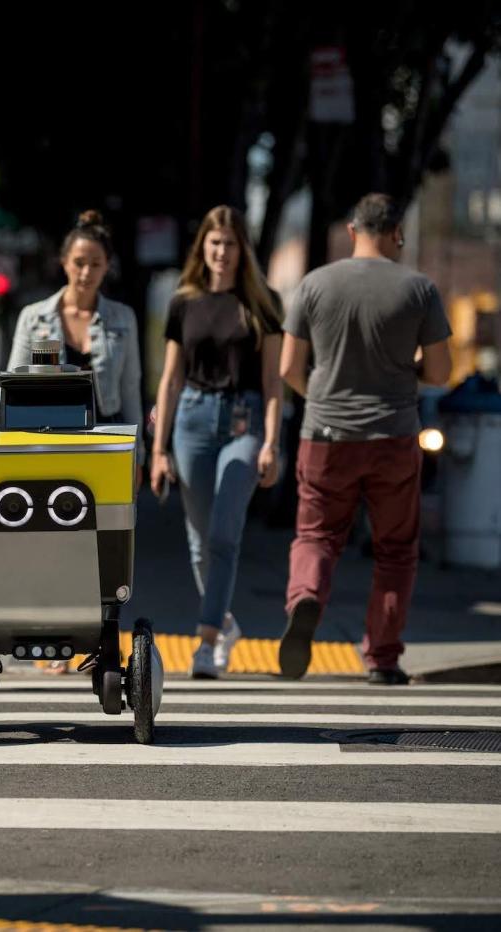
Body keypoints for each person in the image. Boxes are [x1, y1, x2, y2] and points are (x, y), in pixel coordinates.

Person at [279, 193, 452, 685]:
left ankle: (307, 595)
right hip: (393, 436)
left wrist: (322, 396)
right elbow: (440, 371)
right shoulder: (419, 289)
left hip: (326, 435)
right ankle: (381, 656)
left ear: (353, 232)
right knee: (395, 549)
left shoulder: (315, 285)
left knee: (317, 534)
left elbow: (289, 368)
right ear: (397, 233)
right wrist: (403, 370)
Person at [150, 205, 283, 679]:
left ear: (241, 249)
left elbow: (273, 382)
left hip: (245, 425)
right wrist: (158, 449)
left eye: (230, 243)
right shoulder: (183, 301)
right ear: (202, 248)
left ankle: (205, 643)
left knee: (225, 534)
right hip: (190, 420)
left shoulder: (264, 303)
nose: (222, 252)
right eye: (214, 242)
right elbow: (169, 378)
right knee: (200, 543)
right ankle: (225, 621)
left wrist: (271, 443)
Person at [7, 210, 143, 429]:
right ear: (64, 262)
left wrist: (138, 452)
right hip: (50, 434)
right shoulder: (33, 317)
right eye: (79, 263)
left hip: (108, 435)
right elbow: (14, 388)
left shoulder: (123, 318)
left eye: (96, 264)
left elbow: (129, 390)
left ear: (107, 266)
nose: (86, 272)